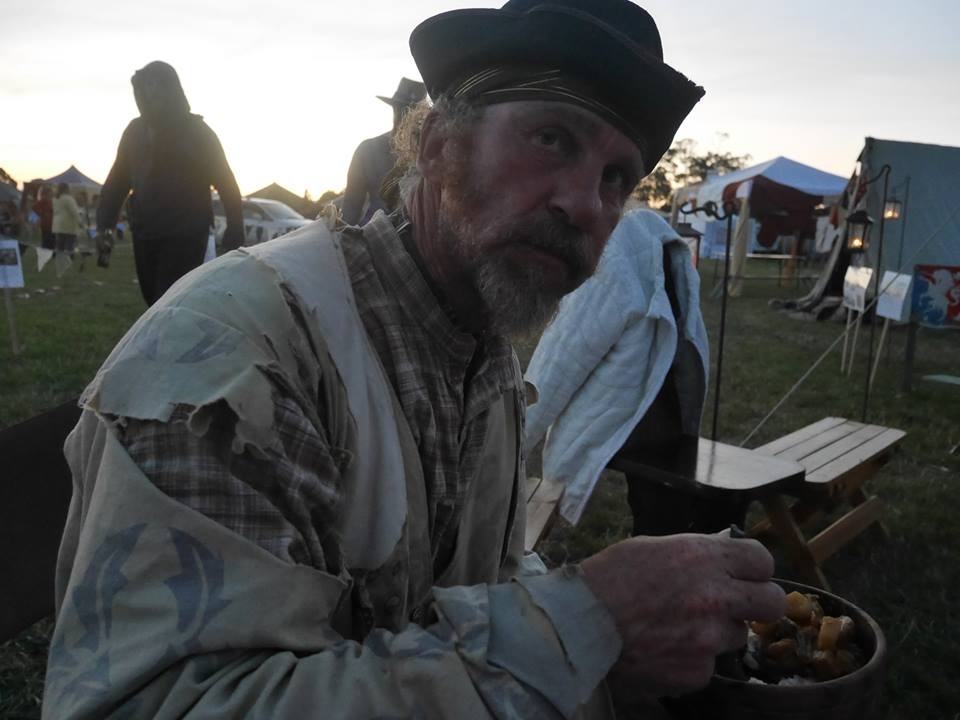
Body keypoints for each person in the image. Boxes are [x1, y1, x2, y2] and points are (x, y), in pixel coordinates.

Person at [44, 2, 785, 718]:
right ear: (436, 147)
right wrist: (582, 630)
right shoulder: (240, 362)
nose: (586, 205)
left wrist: (615, 637)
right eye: (552, 139)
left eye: (616, 179)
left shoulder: (480, 353)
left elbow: (474, 591)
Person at [524, 210, 747, 535]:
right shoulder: (662, 251)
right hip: (662, 421)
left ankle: (671, 551)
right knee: (662, 507)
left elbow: (563, 356)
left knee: (664, 504)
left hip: (637, 424)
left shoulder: (614, 263)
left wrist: (516, 437)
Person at [96, 60, 244, 306]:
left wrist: (235, 231)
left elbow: (227, 184)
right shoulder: (134, 132)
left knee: (168, 303)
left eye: (152, 90)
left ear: (169, 91)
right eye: (141, 91)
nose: (145, 97)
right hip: (145, 231)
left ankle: (167, 342)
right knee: (153, 300)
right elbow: (117, 180)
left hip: (185, 234)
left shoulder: (199, 133)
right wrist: (104, 225)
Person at [340, 76, 426, 225]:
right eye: (400, 109)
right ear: (393, 109)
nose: (404, 117)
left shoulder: (431, 154)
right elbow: (350, 209)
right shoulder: (367, 151)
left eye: (410, 111)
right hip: (376, 236)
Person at [51, 182, 84, 256]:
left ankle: (60, 259)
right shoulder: (69, 199)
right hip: (68, 226)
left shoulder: (55, 199)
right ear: (66, 189)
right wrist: (80, 222)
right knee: (69, 246)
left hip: (57, 225)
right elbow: (74, 212)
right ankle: (68, 260)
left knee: (60, 246)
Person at [32, 185, 55, 250]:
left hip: (53, 228)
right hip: (45, 228)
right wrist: (35, 224)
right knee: (46, 244)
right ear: (43, 194)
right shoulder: (38, 204)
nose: (49, 197)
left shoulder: (53, 203)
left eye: (51, 195)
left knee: (52, 245)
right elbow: (33, 215)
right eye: (48, 195)